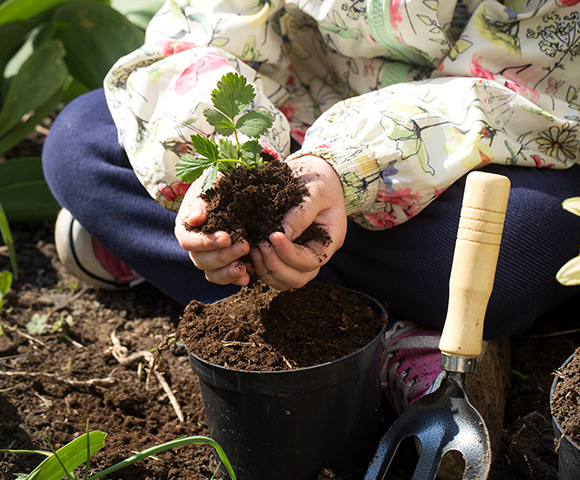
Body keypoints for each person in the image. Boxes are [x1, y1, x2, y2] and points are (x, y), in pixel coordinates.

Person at [42, 0, 580, 466]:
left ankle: (186, 259)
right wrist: (236, 165)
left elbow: (532, 96)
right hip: (291, 128)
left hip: (477, 149)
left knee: (523, 240)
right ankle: (381, 322)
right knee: (78, 142)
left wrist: (348, 168)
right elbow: (205, 28)